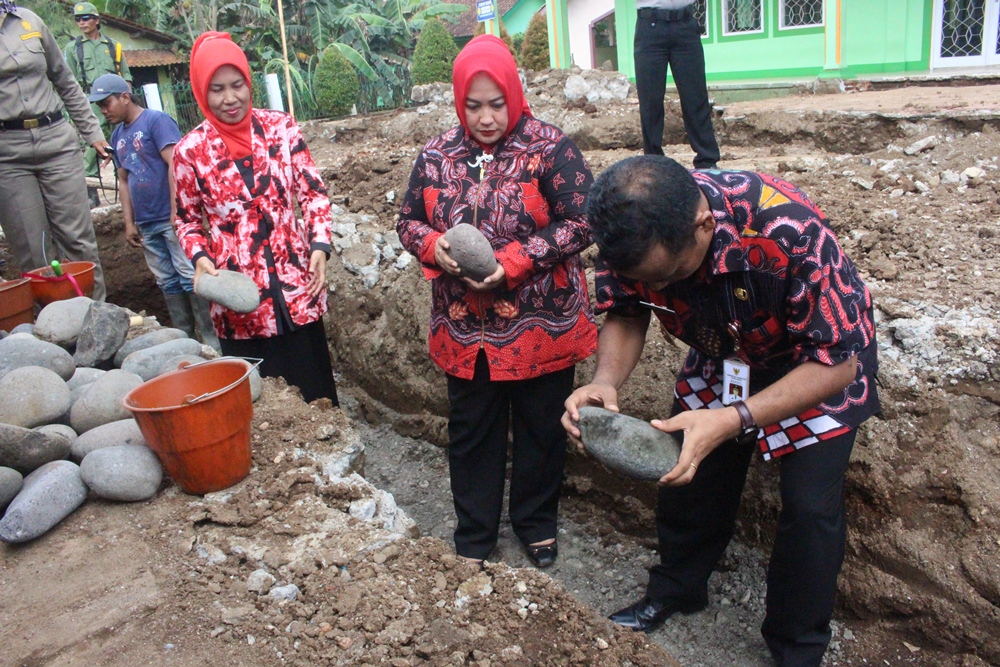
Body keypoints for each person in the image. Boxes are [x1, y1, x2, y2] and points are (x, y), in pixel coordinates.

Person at [562, 156, 879, 667]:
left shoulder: (789, 230)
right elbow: (627, 310)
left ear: (703, 224)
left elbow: (838, 363)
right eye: (650, 281)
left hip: (811, 362)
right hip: (726, 356)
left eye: (671, 276)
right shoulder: (629, 237)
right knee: (687, 474)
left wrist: (733, 420)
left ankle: (796, 646)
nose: (661, 290)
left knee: (810, 509)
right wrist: (604, 382)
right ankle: (679, 588)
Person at [397, 35, 598, 569]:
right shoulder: (438, 154)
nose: (486, 118)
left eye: (496, 103)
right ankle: (476, 533)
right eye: (473, 105)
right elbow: (408, 220)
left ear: (515, 93)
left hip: (540, 325)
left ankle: (535, 524)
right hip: (465, 328)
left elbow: (583, 221)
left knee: (539, 430)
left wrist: (512, 264)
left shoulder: (551, 148)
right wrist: (432, 245)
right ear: (459, 102)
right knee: (472, 434)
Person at [173, 32, 338, 404]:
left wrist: (319, 244)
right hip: (241, 302)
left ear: (249, 83)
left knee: (317, 400)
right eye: (216, 89)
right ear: (202, 91)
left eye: (237, 85)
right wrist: (200, 257)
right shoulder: (190, 151)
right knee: (263, 408)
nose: (230, 98)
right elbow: (185, 220)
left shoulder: (282, 128)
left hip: (298, 287)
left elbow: (312, 193)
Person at [89, 73, 219, 350]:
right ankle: (184, 337)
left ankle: (211, 339)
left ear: (125, 96)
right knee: (167, 281)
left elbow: (176, 165)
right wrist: (129, 222)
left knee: (189, 274)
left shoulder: (156, 122)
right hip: (147, 222)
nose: (103, 110)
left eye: (106, 102)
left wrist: (177, 209)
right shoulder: (117, 135)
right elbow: (123, 180)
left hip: (170, 218)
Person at [0, 2, 108, 300]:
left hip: (56, 141)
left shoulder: (28, 21)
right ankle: (53, 330)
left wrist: (92, 132)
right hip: (7, 153)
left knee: (79, 241)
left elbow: (64, 80)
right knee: (35, 250)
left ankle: (98, 316)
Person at [633, 0, 719, 168]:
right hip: (650, 27)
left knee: (695, 96)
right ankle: (653, 162)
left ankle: (707, 161)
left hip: (686, 25)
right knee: (651, 100)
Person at [63, 1, 131, 207]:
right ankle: (91, 190)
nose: (81, 23)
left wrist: (127, 100)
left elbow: (125, 75)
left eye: (86, 18)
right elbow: (68, 81)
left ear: (97, 20)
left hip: (116, 99)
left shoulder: (113, 46)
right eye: (77, 19)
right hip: (90, 100)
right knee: (93, 144)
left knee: (123, 138)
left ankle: (128, 181)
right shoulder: (73, 48)